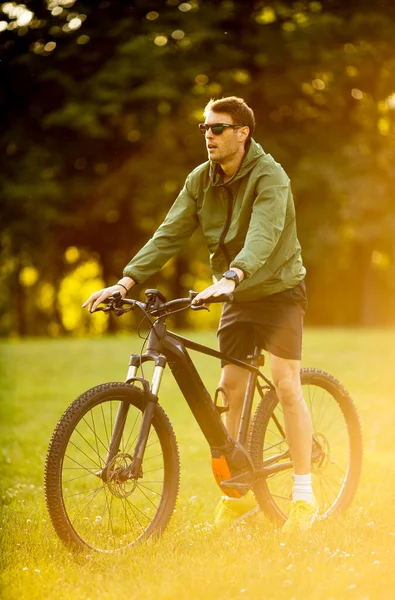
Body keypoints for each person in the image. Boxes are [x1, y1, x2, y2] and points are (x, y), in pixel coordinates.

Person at [83, 96, 317, 533]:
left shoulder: (271, 177)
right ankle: (238, 493)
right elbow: (168, 233)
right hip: (235, 294)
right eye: (204, 128)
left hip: (279, 291)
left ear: (242, 133)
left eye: (218, 128)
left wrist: (233, 275)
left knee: (286, 384)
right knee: (228, 389)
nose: (208, 135)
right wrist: (125, 282)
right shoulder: (201, 180)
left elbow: (264, 234)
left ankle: (304, 496)